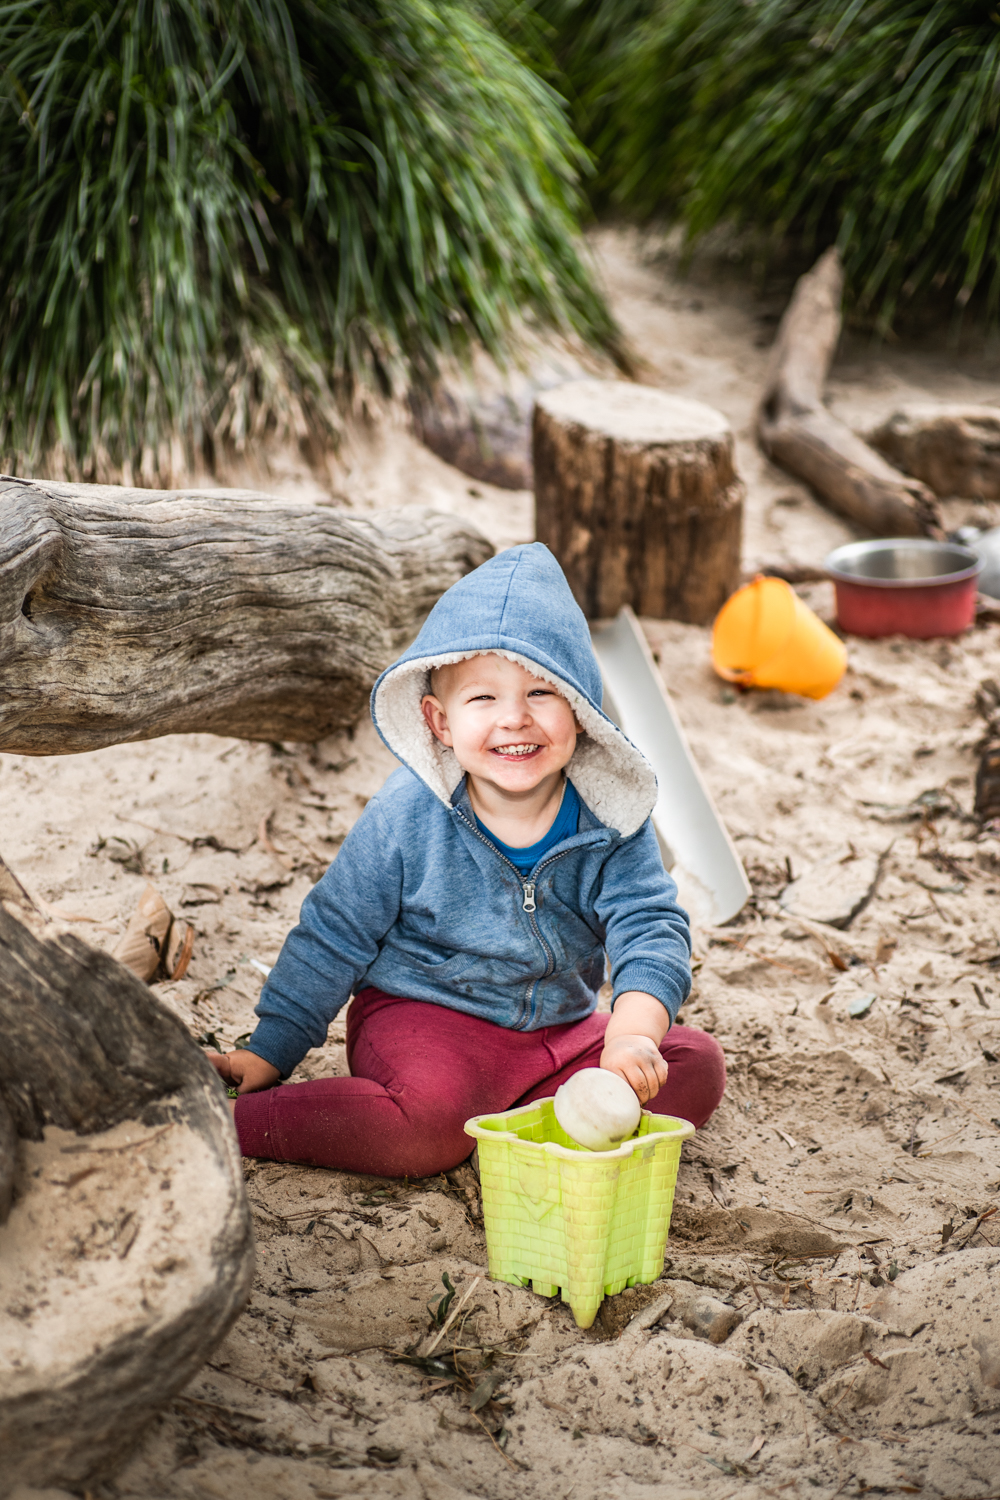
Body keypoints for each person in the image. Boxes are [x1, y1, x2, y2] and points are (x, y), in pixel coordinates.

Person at [209, 543, 725, 1176]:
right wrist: (272, 1048)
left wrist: (631, 1035)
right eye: (482, 699)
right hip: (426, 1022)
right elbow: (333, 933)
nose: (515, 719)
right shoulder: (407, 815)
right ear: (439, 721)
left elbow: (651, 928)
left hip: (557, 1035)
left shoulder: (611, 818)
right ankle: (233, 1125)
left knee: (694, 1063)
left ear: (582, 715)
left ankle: (518, 1122)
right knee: (423, 1130)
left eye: (542, 691)